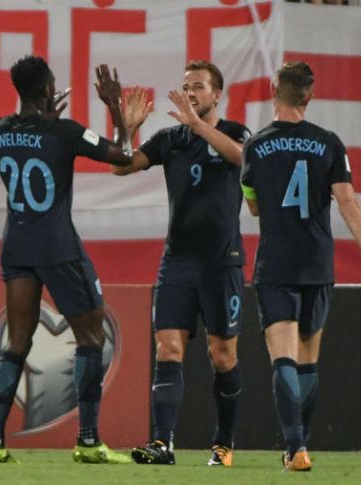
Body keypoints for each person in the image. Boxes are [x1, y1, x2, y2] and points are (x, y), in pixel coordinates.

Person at [0, 55, 133, 465]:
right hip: (58, 248)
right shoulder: (65, 132)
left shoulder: (0, 130)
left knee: (17, 342)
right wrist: (115, 108)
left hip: (17, 247)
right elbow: (123, 154)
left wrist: (38, 129)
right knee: (91, 336)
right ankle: (88, 440)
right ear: (49, 90)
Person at [240, 61, 361, 472]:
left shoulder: (255, 146)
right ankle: (299, 444)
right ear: (310, 96)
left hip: (276, 263)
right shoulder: (328, 143)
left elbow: (253, 206)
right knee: (306, 359)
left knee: (282, 358)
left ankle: (295, 447)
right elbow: (347, 201)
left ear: (274, 90)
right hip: (317, 263)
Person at [113, 60, 251, 467]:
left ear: (217, 95)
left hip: (222, 262)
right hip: (177, 261)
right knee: (168, 347)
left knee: (223, 355)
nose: (190, 92)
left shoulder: (235, 132)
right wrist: (127, 130)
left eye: (199, 86)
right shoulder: (170, 139)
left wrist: (198, 126)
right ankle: (162, 444)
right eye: (186, 86)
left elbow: (243, 159)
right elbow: (120, 166)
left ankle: (223, 445)